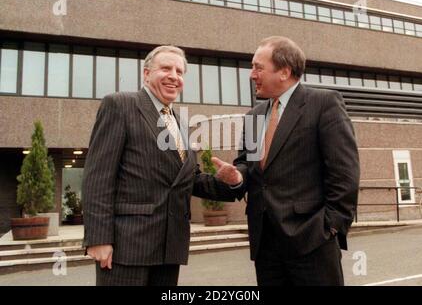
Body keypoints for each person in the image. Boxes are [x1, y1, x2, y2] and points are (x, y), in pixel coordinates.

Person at [82, 45, 237, 286]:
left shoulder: (181, 124)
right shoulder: (120, 105)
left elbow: (189, 180)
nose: (174, 76)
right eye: (166, 68)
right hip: (126, 248)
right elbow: (98, 177)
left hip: (169, 247)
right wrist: (98, 238)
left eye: (180, 71)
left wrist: (231, 182)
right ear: (146, 74)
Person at [212, 36, 360, 286]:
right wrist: (238, 176)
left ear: (284, 72)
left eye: (258, 67)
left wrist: (330, 228)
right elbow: (247, 166)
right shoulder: (254, 116)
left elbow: (345, 173)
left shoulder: (324, 104)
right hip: (266, 245)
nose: (251, 74)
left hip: (312, 243)